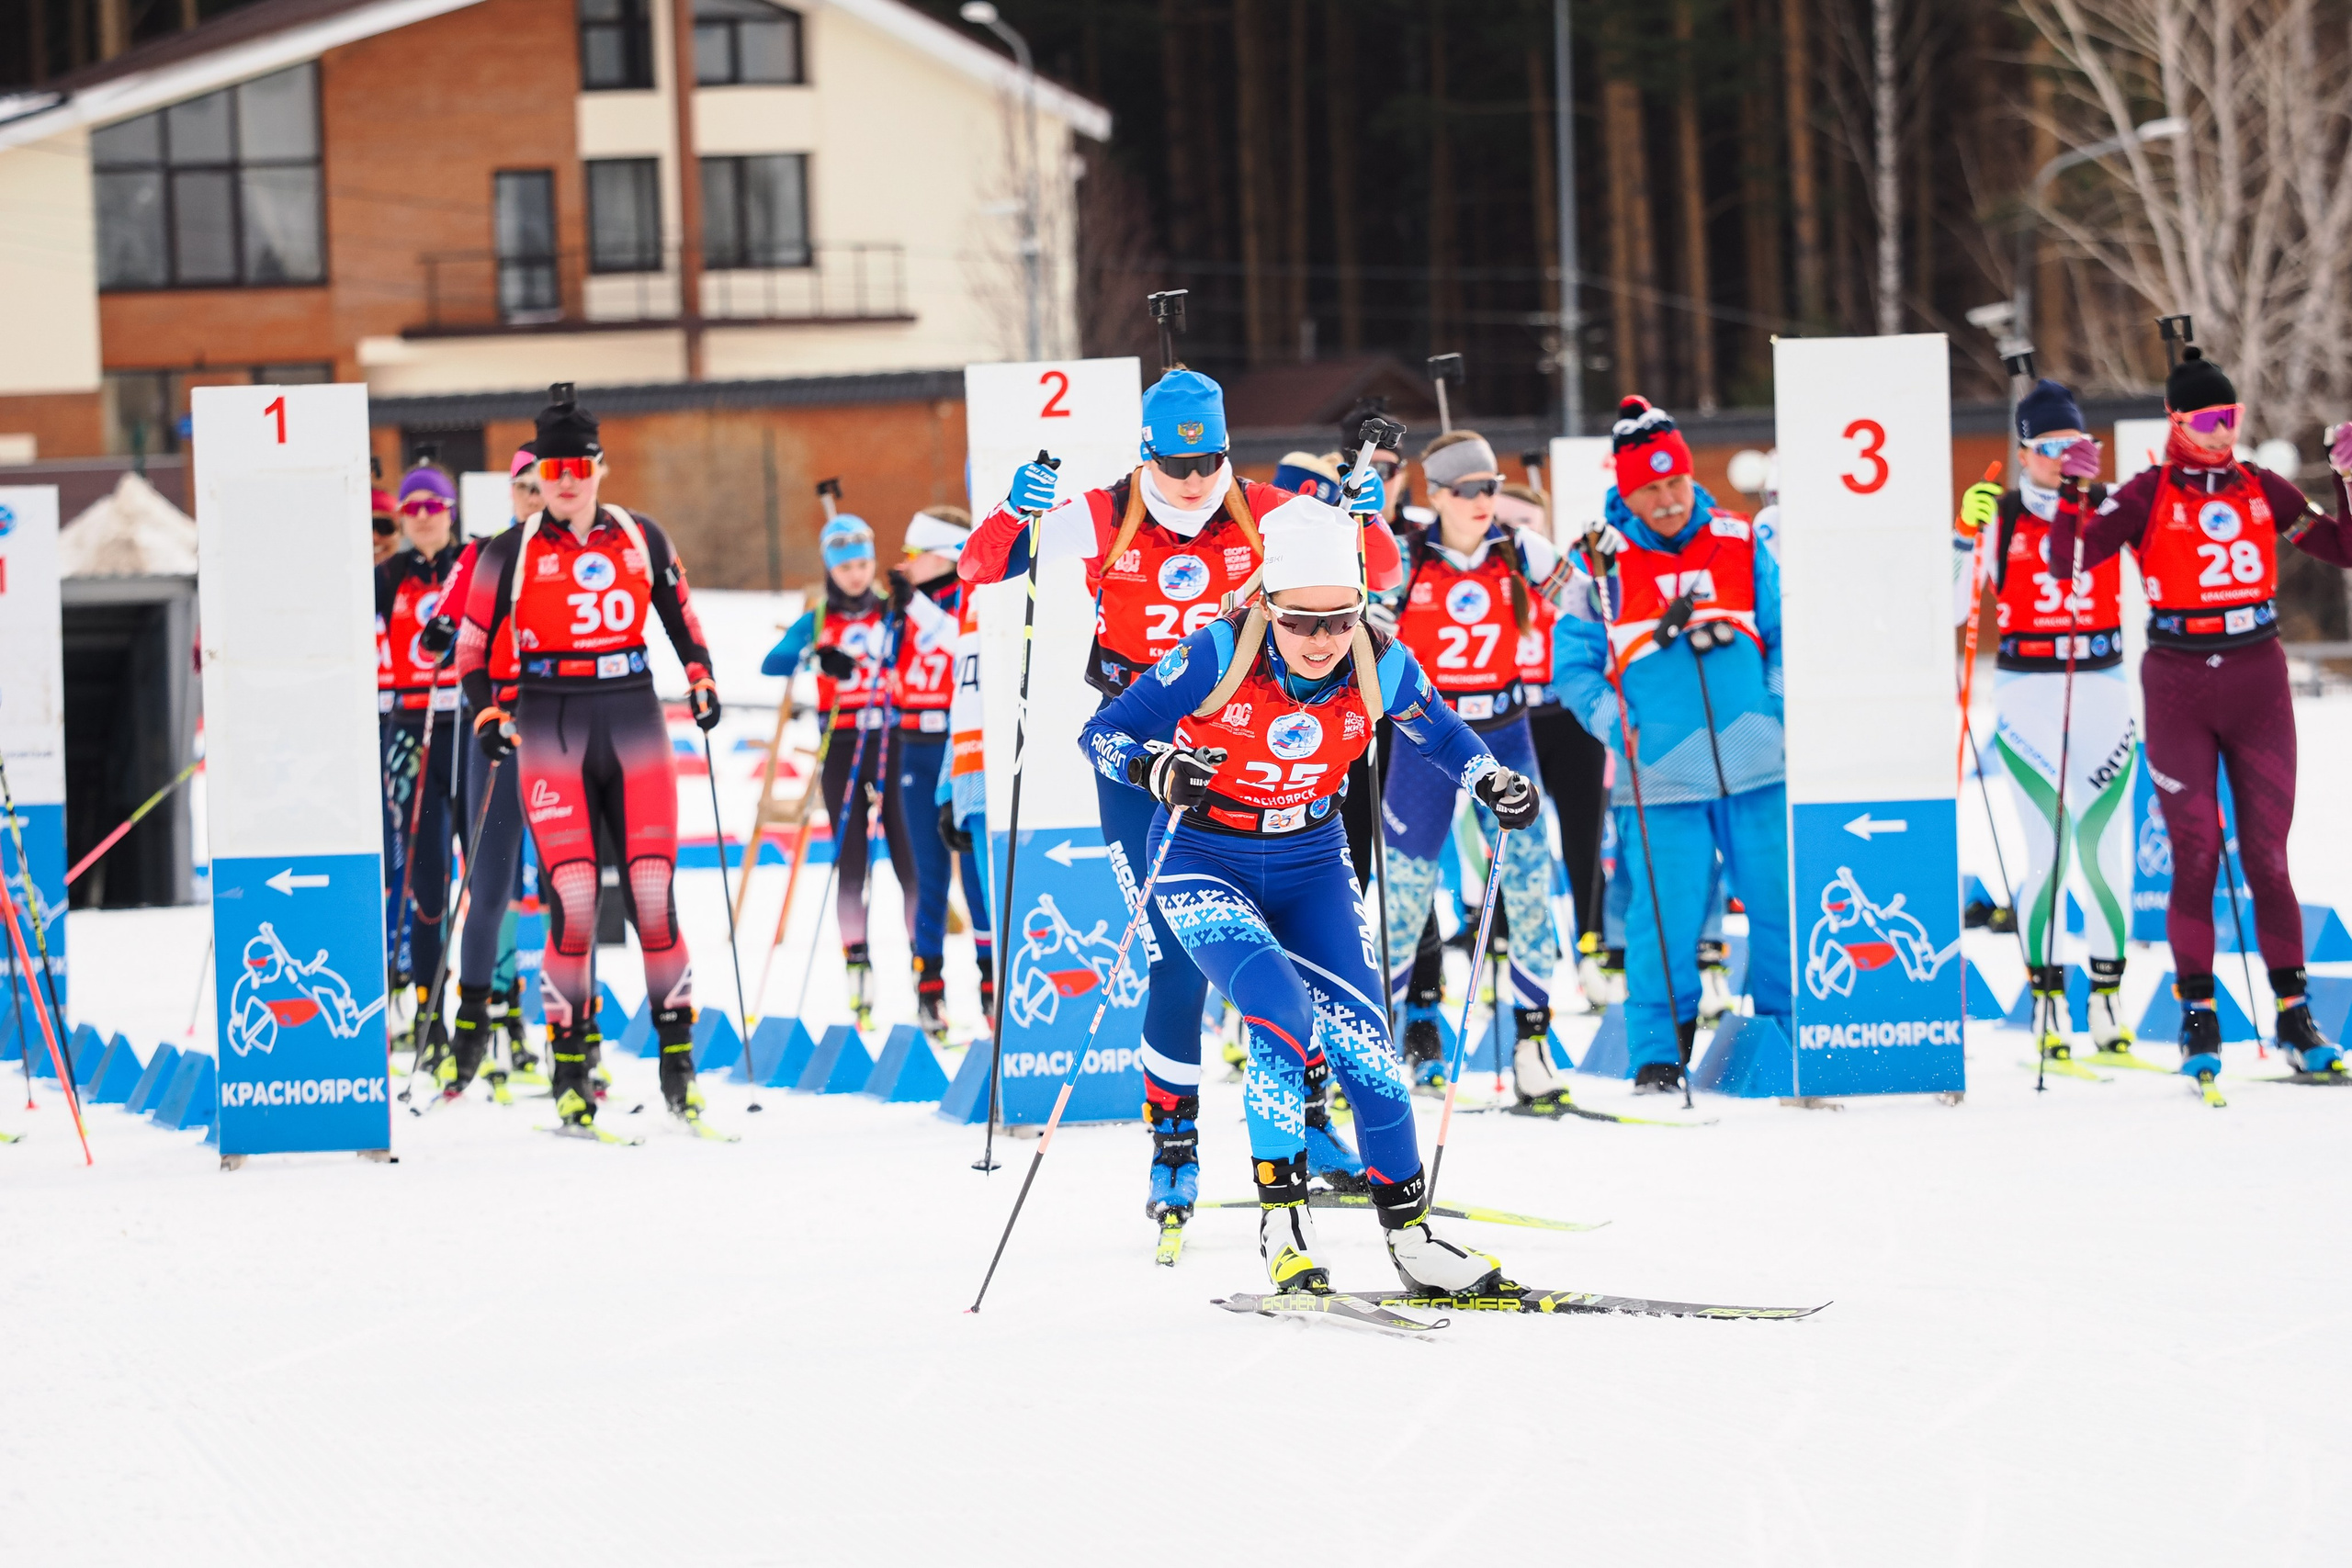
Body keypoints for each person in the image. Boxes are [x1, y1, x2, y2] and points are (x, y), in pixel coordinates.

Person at [961, 367, 1402, 1229]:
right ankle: (1174, 1149)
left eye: (1211, 466)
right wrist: (1017, 510)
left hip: (1246, 749)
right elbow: (981, 568)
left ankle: (1310, 1127)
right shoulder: (1102, 512)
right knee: (1173, 960)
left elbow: (1375, 569)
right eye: (1176, 467)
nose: (1196, 485)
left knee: (1289, 950)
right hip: (1143, 751)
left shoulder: (1269, 509)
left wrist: (1365, 509)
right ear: (1147, 452)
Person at [1078, 494, 1539, 1292]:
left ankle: (1413, 1235)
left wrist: (1489, 777)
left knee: (1370, 1049)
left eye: (1340, 619)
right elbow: (1102, 733)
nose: (1323, 641)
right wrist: (1153, 768)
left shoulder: (1378, 656)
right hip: (1201, 855)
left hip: (1313, 858)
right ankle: (1283, 1219)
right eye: (1300, 621)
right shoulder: (1215, 651)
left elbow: (1442, 730)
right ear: (1266, 603)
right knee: (1280, 1016)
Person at [2047, 345, 2352, 1090]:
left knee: (2268, 856)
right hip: (2180, 683)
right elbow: (2067, 562)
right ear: (2177, 420)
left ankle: (2294, 1015)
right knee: (2197, 853)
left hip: (2258, 679)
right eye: (2210, 419)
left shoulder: (2262, 486)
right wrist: (2074, 492)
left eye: (2232, 417)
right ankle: (2199, 1016)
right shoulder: (2147, 493)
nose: (2224, 432)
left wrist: (2347, 480)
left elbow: (2345, 547)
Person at [454, 385, 723, 1132]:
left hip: (633, 713)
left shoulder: (641, 536)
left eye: (579, 463)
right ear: (537, 474)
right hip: (549, 721)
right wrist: (486, 713)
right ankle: (571, 1070)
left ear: (600, 467)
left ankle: (679, 1068)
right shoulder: (507, 553)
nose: (566, 478)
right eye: (553, 466)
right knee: (572, 897)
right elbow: (472, 651)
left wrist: (700, 678)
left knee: (650, 892)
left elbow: (682, 618)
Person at [1554, 397, 1794, 1094]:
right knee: (1664, 917)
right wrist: (1613, 725)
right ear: (1625, 490)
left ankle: (1784, 1029)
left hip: (1757, 763)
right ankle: (1660, 1051)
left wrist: (1774, 708)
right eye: (1648, 488)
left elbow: (1781, 632)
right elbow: (1572, 664)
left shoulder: (1739, 539)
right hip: (1658, 772)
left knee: (1776, 904)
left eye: (1674, 484)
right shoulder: (1598, 561)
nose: (1665, 500)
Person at [1952, 378, 2148, 1073]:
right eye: (2049, 447)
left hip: (2102, 684)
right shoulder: (2001, 513)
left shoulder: (2107, 505)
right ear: (2025, 450)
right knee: (2048, 852)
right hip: (2028, 691)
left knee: (2102, 848)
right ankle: (2044, 1001)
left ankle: (2106, 997)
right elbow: (1952, 606)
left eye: (2076, 443)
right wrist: (1962, 536)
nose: (2065, 458)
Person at [1377, 428, 1577, 1104]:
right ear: (1438, 494)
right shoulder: (1405, 556)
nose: (1485, 499)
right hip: (1426, 738)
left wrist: (1606, 565)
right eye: (1469, 490)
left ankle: (1532, 1044)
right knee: (1402, 901)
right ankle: (1376, 1049)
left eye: (1491, 486)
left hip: (1505, 733)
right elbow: (1363, 636)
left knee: (1527, 890)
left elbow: (1591, 600)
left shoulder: (1519, 548)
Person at [422, 446, 542, 1098]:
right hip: (498, 729)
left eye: (543, 485)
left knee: (558, 886)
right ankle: (473, 1028)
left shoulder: (580, 556)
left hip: (564, 730)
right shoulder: (486, 552)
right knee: (491, 886)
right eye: (523, 487)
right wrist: (440, 630)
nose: (535, 497)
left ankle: (540, 1027)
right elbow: (439, 620)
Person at [762, 513, 902, 1030]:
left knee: (908, 857)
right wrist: (817, 657)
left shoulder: (893, 609)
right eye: (846, 568)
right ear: (830, 569)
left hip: (892, 739)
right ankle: (858, 970)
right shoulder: (820, 618)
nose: (857, 575)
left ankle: (924, 977)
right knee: (852, 862)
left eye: (864, 564)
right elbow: (773, 663)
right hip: (841, 741)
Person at [1497, 479, 1615, 1014]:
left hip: (1565, 718)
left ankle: (1592, 951)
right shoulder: (1486, 574)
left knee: (1584, 835)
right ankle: (1504, 952)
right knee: (1512, 839)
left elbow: (1598, 610)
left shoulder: (1559, 573)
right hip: (1511, 719)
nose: (1513, 534)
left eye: (1524, 524)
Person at [882, 507, 994, 1040]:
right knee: (927, 876)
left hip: (964, 751)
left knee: (977, 879)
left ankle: (992, 986)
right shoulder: (907, 606)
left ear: (946, 555)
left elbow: (963, 643)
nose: (905, 566)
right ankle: (929, 991)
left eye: (914, 555)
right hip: (915, 746)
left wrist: (918, 609)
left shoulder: (974, 596)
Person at [375, 463, 463, 1065]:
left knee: (493, 879)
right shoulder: (389, 576)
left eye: (434, 505)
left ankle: (491, 1012)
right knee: (427, 879)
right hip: (413, 730)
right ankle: (433, 1020)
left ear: (451, 510)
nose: (423, 516)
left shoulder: (475, 566)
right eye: (413, 508)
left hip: (473, 726)